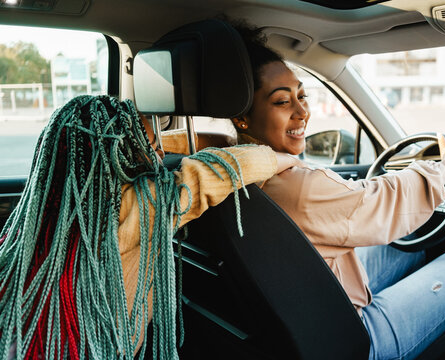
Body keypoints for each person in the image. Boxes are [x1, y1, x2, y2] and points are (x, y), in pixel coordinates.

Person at [229, 23, 445, 360]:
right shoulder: (298, 186)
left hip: (297, 313)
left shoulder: (226, 168)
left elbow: (368, 204)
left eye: (302, 95)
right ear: (242, 119)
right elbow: (381, 201)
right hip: (350, 341)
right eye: (283, 101)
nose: (302, 112)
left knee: (407, 248)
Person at [0, 95, 297, 359]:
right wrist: (285, 157)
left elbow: (213, 144)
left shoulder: (37, 213)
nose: (159, 156)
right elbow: (214, 173)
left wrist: (149, 138)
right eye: (153, 147)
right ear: (119, 152)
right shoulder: (137, 206)